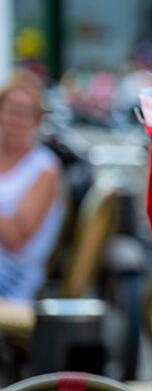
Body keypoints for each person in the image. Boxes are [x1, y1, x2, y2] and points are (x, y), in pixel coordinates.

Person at [0, 70, 65, 301]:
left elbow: (15, 240)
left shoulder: (45, 168)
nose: (16, 120)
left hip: (14, 276)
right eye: (11, 110)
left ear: (36, 121)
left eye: (24, 113)